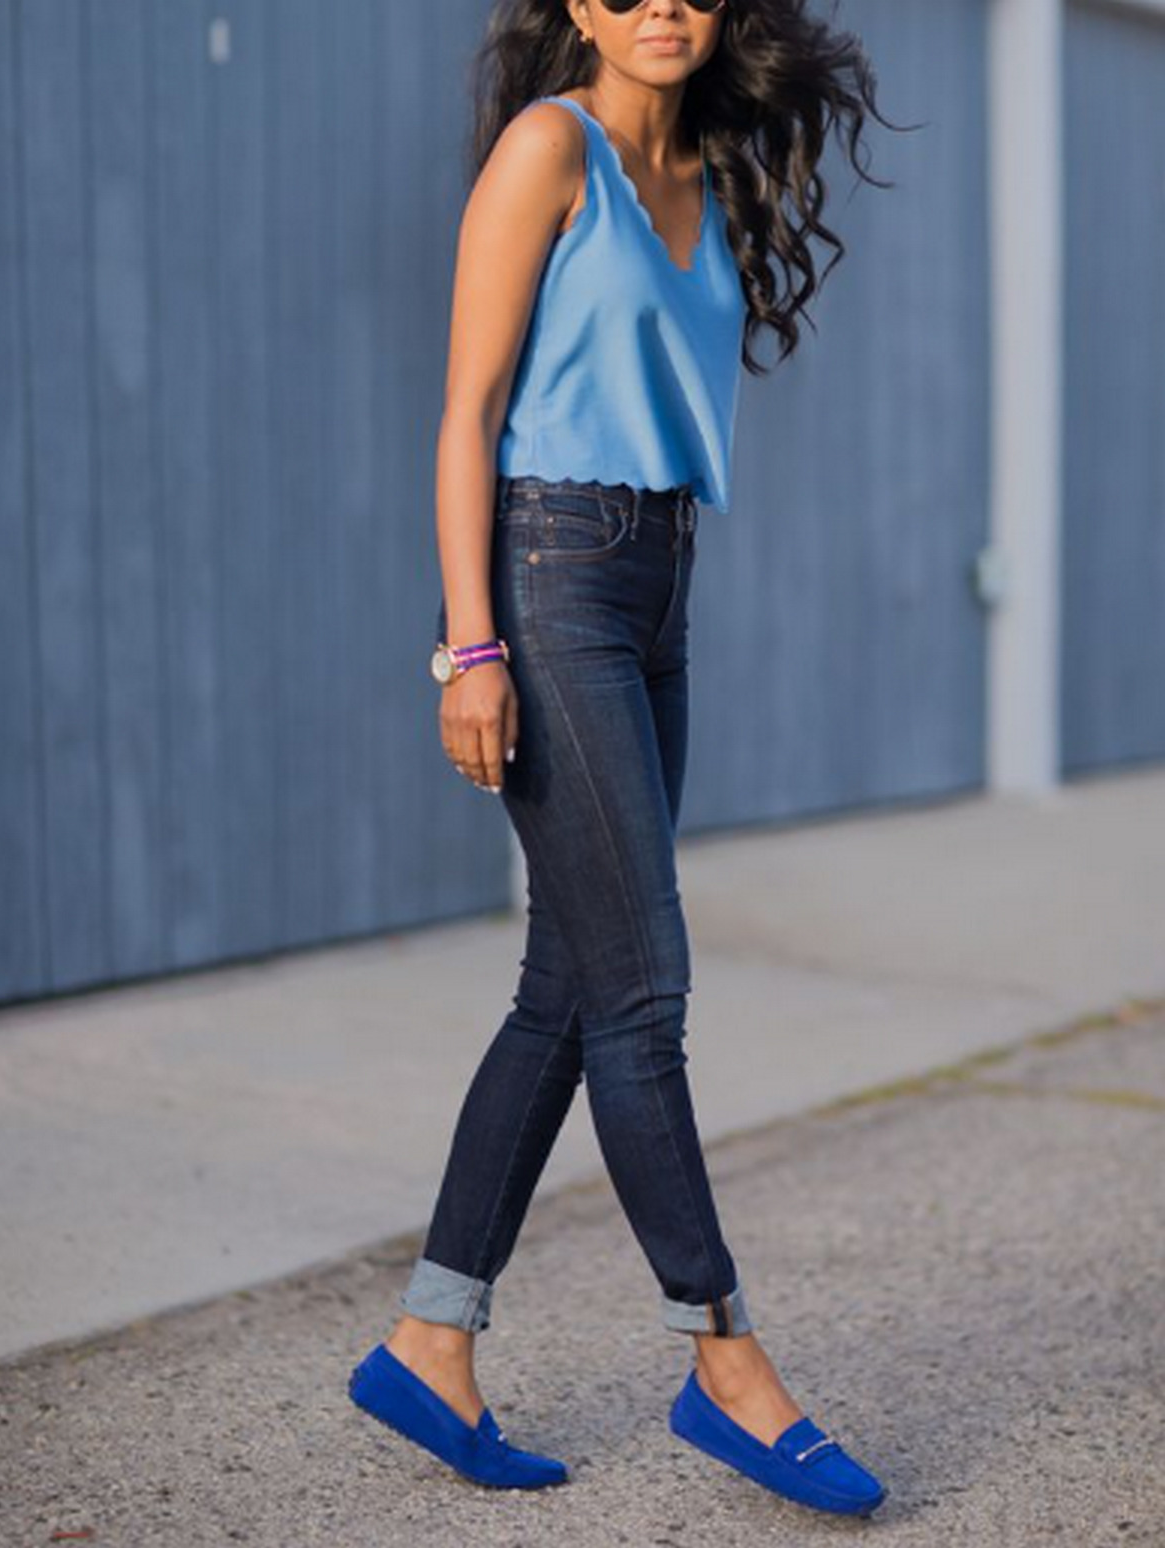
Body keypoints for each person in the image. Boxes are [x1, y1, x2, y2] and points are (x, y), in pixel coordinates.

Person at [348, 0, 898, 1516]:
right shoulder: (549, 148)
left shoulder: (714, 168)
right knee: (644, 991)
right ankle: (724, 1358)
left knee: (573, 988)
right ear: (579, 6)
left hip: (660, 579)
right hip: (552, 570)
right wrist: (470, 649)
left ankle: (428, 1342)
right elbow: (463, 415)